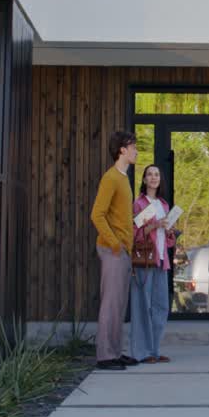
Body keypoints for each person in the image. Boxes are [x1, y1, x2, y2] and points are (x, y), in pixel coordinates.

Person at [90, 130, 138, 371]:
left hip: (122, 250)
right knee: (110, 303)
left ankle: (115, 352)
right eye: (133, 146)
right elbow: (96, 214)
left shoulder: (123, 178)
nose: (136, 150)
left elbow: (120, 216)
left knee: (119, 304)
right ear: (122, 149)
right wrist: (115, 243)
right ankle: (105, 356)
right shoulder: (111, 178)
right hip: (113, 250)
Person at [131, 164, 177, 364]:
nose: (153, 177)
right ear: (144, 180)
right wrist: (155, 224)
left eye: (157, 174)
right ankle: (142, 352)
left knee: (160, 306)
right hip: (145, 260)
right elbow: (135, 233)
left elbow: (168, 241)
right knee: (143, 306)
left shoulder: (164, 205)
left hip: (161, 260)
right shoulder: (139, 204)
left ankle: (154, 350)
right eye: (149, 174)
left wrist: (169, 232)